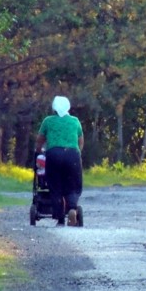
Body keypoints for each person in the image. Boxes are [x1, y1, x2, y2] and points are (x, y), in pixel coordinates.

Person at [36, 96, 84, 226]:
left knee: (55, 185)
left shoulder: (48, 121)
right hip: (72, 155)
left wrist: (39, 151)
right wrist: (77, 153)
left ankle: (60, 217)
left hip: (54, 154)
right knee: (73, 184)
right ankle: (72, 208)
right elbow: (80, 141)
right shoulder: (75, 121)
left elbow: (40, 139)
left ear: (54, 108)